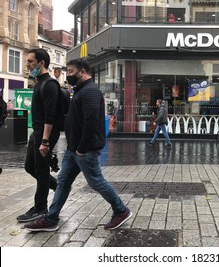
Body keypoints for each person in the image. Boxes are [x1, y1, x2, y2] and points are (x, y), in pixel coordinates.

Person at [24, 58, 132, 232]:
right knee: (63, 182)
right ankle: (51, 218)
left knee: (96, 182)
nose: (69, 75)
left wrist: (82, 148)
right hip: (73, 149)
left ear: (82, 72)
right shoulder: (81, 90)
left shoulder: (89, 91)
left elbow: (90, 123)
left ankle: (121, 210)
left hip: (84, 150)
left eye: (71, 72)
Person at [17, 48, 61, 223]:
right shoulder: (39, 82)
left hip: (45, 134)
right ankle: (59, 187)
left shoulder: (49, 84)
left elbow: (50, 115)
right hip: (37, 133)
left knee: (41, 171)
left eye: (30, 61)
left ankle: (41, 208)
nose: (27, 64)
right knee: (30, 167)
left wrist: (44, 140)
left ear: (41, 63)